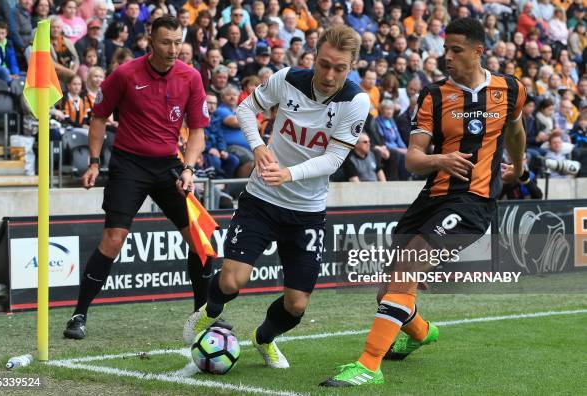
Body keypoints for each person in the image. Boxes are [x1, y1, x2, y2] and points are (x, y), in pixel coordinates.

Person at [320, 17, 528, 387]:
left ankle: (369, 365)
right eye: (445, 49)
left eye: (456, 50)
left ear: (479, 51)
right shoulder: (434, 95)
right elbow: (413, 158)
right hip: (431, 198)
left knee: (406, 273)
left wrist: (518, 169)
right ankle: (421, 332)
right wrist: (440, 160)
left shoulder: (510, 89)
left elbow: (515, 130)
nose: (446, 56)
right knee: (388, 290)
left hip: (473, 203)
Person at [183, 25, 370, 368]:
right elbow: (244, 109)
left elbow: (335, 159)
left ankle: (263, 338)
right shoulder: (287, 79)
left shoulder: (356, 102)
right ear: (314, 56)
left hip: (308, 210)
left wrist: (289, 173)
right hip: (262, 198)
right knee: (231, 279)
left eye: (339, 68)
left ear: (351, 66)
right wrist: (256, 147)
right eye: (324, 64)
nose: (329, 75)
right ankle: (210, 312)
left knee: (297, 305)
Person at [63, 16, 214, 340]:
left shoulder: (191, 77)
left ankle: (200, 318)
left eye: (177, 42)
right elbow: (99, 118)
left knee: (202, 243)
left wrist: (188, 168)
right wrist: (92, 162)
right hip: (128, 165)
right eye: (166, 42)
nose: (173, 49)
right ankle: (78, 315)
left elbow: (198, 131)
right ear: (150, 39)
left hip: (169, 166)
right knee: (113, 239)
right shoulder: (125, 74)